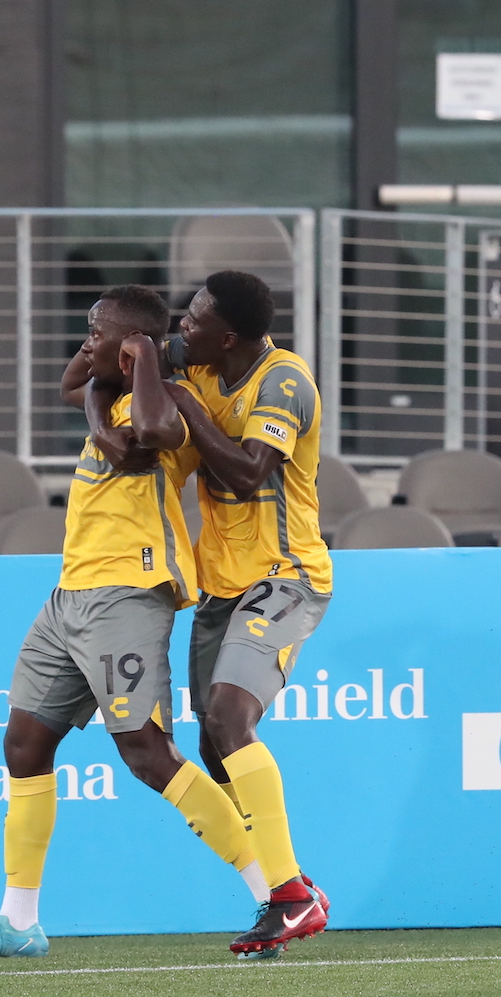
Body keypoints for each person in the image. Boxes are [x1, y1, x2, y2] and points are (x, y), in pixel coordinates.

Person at [0, 285, 258, 959]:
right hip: (70, 593)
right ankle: (18, 920)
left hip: (128, 591)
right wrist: (99, 389)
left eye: (96, 331)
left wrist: (142, 363)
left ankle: (275, 889)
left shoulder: (164, 401)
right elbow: (71, 382)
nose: (85, 341)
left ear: (136, 346)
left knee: (148, 754)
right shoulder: (106, 395)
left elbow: (157, 434)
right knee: (24, 742)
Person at [170, 271, 334, 957]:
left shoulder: (283, 383)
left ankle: (287, 895)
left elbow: (246, 471)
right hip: (220, 587)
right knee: (214, 743)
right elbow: (115, 356)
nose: (184, 324)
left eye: (195, 317)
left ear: (228, 336)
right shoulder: (200, 362)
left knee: (231, 716)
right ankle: (294, 890)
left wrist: (181, 399)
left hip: (286, 577)